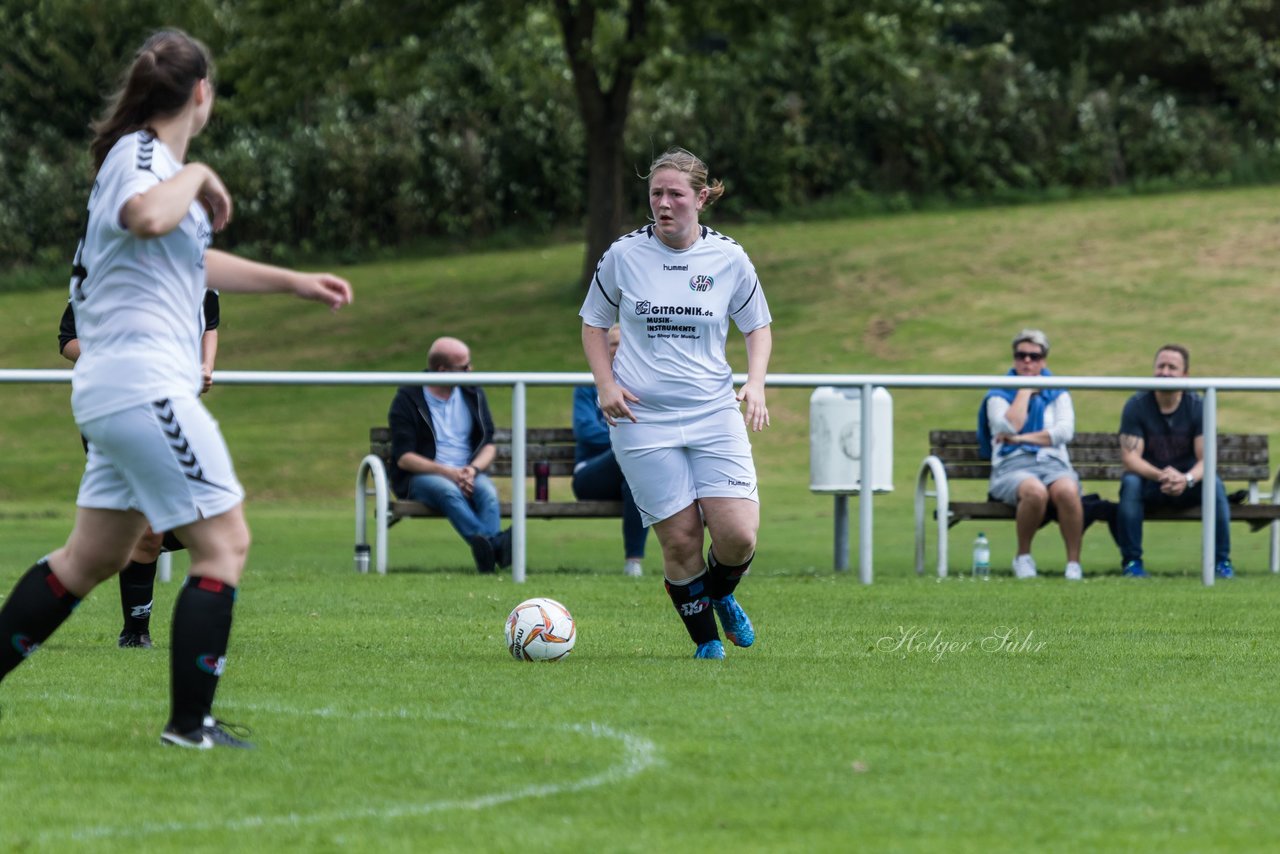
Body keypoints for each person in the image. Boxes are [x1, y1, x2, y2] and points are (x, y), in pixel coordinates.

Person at [0, 30, 353, 749]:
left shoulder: (156, 164)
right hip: (141, 386)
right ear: (201, 94)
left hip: (115, 388)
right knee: (224, 544)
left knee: (88, 560)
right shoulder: (143, 160)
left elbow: (190, 259)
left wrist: (292, 283)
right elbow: (147, 216)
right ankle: (190, 727)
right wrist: (201, 176)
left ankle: (188, 721)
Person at [579, 147, 773, 659]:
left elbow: (758, 326)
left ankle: (720, 593)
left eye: (675, 194)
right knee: (682, 541)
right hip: (642, 418)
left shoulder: (729, 258)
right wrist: (605, 386)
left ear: (702, 198)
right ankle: (707, 646)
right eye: (655, 194)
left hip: (712, 412)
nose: (663, 204)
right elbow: (594, 323)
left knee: (737, 536)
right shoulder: (624, 254)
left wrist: (755, 383)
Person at [59, 290, 221, 648]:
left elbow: (209, 321)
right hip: (113, 408)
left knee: (209, 517)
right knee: (143, 528)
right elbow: (68, 339)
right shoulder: (108, 271)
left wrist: (205, 366)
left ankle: (137, 545)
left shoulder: (195, 269)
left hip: (172, 410)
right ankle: (135, 632)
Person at [387, 336, 511, 574]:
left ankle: (488, 554)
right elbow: (404, 458)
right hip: (423, 477)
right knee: (448, 491)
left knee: (487, 492)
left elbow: (489, 444)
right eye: (464, 367)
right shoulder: (408, 397)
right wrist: (450, 473)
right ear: (442, 370)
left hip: (468, 472)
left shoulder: (472, 393)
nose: (471, 370)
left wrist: (471, 470)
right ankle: (496, 545)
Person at [1116, 344, 1234, 578]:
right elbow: (1130, 458)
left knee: (1215, 484)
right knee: (1130, 483)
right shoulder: (1136, 405)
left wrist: (1186, 479)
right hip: (1151, 484)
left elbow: (1207, 459)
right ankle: (1132, 563)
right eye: (1161, 366)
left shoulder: (1199, 406)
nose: (1165, 372)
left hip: (1189, 485)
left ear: (1185, 375)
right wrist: (1162, 476)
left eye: (1172, 367)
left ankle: (1221, 563)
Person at [979, 329, 1084, 580]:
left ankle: (1073, 564)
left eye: (1034, 357)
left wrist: (1021, 439)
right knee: (1035, 491)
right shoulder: (999, 393)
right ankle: (1023, 557)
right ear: (1014, 359)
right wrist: (1024, 390)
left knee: (1068, 490)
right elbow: (1006, 426)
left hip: (1052, 463)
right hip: (1012, 467)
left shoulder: (1057, 391)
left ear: (1044, 360)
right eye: (1021, 355)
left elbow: (1063, 432)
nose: (1027, 361)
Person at [572, 324, 649, 577]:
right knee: (634, 453)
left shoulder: (642, 387)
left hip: (631, 475)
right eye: (614, 343)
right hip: (590, 477)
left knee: (635, 484)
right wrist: (626, 438)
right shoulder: (588, 385)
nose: (619, 350)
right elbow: (585, 431)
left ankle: (633, 563)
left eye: (625, 344)